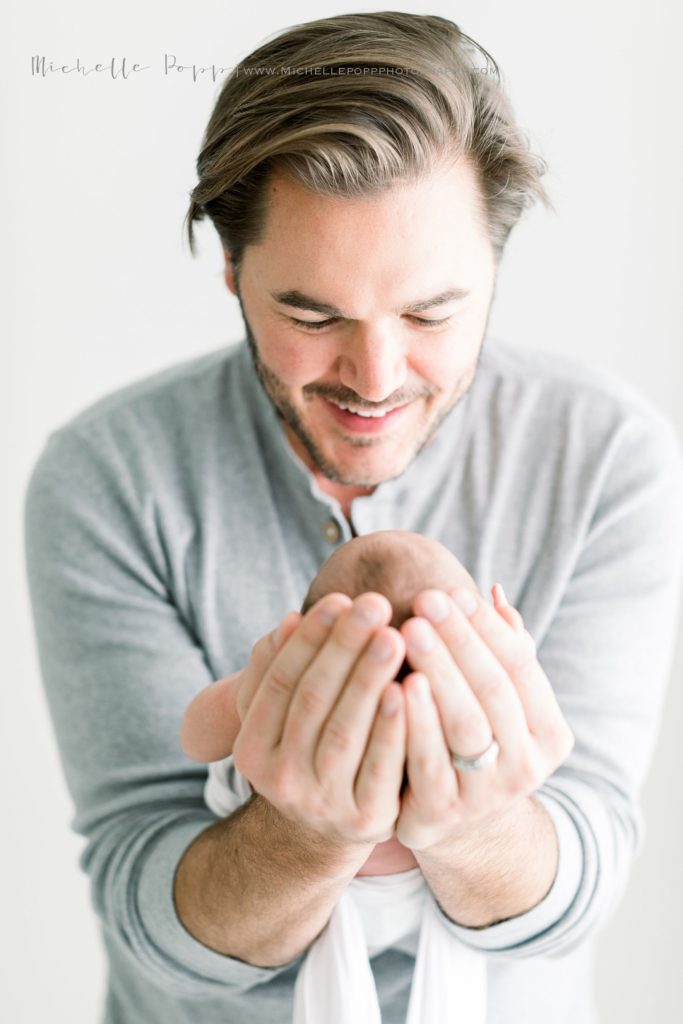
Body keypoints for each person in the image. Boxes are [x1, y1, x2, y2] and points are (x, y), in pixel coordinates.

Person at [22, 11, 683, 1024]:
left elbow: (575, 884)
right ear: (233, 275)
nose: (373, 380)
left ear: (494, 273)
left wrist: (476, 824)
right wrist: (308, 831)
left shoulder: (607, 460)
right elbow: (144, 905)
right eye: (311, 315)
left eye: (429, 312)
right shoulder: (108, 477)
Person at [181, 530, 525, 880]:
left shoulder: (280, 715)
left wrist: (249, 688)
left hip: (282, 883)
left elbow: (194, 739)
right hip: (412, 895)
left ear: (304, 638)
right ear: (489, 634)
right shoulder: (491, 716)